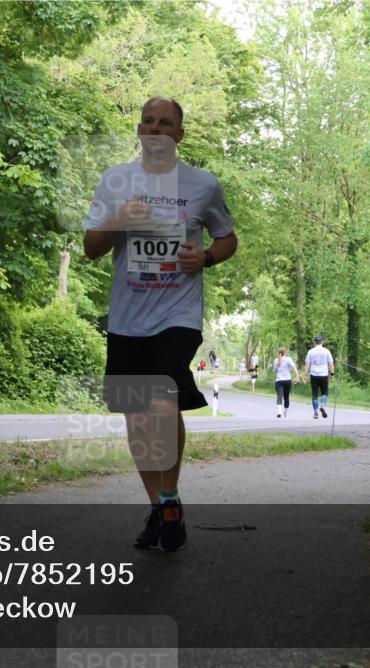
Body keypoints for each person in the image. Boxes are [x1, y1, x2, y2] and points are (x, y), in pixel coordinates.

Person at [83, 96, 238, 552]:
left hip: (178, 313)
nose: (156, 129)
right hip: (128, 317)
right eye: (149, 122)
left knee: (162, 400)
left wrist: (205, 256)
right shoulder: (115, 180)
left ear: (179, 134)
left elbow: (227, 238)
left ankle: (169, 499)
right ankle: (159, 506)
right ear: (139, 130)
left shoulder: (203, 184)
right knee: (137, 415)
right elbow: (91, 247)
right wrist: (117, 219)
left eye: (166, 123)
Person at [303, 335, 334, 419]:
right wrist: (332, 374)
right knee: (324, 392)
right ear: (322, 342)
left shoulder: (310, 352)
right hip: (324, 374)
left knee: (315, 394)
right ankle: (323, 405)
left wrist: (305, 375)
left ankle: (316, 413)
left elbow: (307, 365)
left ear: (314, 342)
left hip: (314, 375)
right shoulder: (327, 351)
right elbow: (330, 364)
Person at [273, 346, 300, 418]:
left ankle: (279, 412)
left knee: (279, 396)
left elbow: (274, 371)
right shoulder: (288, 359)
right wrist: (297, 376)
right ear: (285, 353)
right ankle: (285, 412)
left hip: (279, 381)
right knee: (286, 397)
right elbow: (294, 367)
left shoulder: (276, 360)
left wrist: (278, 366)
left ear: (279, 353)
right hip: (287, 381)